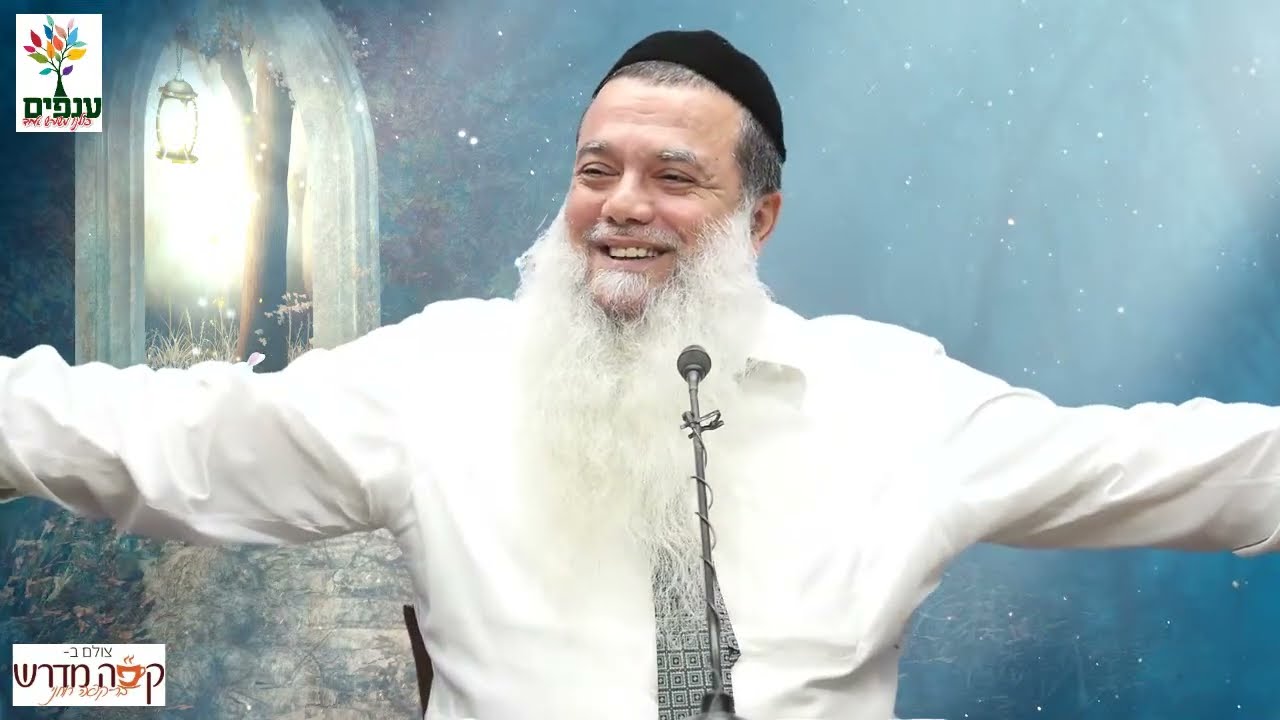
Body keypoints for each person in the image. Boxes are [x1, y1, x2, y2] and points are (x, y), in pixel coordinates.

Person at [2, 28, 1279, 720]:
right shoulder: (446, 374)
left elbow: (1179, 465)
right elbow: (173, 437)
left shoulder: (892, 401)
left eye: (673, 176)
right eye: (594, 170)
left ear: (757, 220)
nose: (620, 206)